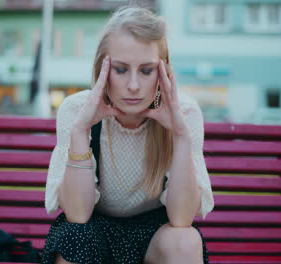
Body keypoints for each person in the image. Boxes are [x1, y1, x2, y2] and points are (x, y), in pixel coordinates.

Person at [41, 6, 214, 264]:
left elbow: (181, 218)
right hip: (93, 230)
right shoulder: (76, 110)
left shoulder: (185, 114)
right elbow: (77, 213)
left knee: (185, 241)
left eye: (146, 71)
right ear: (103, 69)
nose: (133, 86)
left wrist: (180, 135)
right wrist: (80, 131)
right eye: (121, 69)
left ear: (163, 72)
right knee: (76, 237)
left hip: (153, 234)